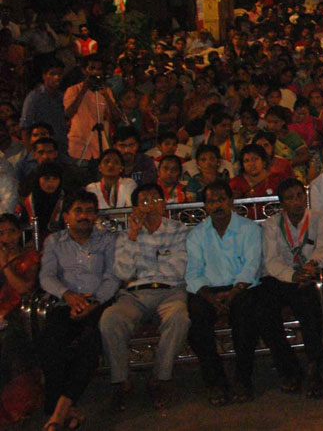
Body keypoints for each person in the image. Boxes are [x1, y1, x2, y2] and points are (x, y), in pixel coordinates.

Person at [100, 182, 189, 411]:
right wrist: (133, 236)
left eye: (155, 200)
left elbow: (178, 269)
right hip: (135, 295)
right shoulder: (126, 235)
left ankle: (159, 378)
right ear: (135, 208)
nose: (150, 206)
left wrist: (144, 265)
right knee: (110, 318)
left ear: (164, 203)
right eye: (144, 202)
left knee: (179, 317)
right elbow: (123, 273)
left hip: (170, 291)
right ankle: (121, 381)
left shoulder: (178, 229)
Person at [38, 190, 117, 430]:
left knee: (89, 344)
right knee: (51, 344)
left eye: (89, 211)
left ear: (96, 215)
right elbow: (46, 276)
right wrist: (68, 295)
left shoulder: (107, 240)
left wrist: (93, 303)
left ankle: (57, 412)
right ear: (67, 216)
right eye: (78, 211)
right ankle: (67, 409)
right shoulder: (54, 242)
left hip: (98, 304)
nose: (84, 216)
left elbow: (113, 277)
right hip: (66, 303)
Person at [185, 180, 262, 406]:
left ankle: (242, 378)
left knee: (246, 316)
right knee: (195, 320)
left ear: (231, 201)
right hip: (208, 291)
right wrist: (210, 297)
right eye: (211, 201)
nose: (217, 205)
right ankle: (215, 379)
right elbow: (193, 273)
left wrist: (234, 292)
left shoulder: (249, 229)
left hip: (241, 288)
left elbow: (251, 266)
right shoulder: (197, 234)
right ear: (205, 206)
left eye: (221, 200)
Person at [258, 178, 323, 399]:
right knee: (264, 311)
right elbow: (271, 261)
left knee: (309, 307)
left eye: (300, 195)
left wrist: (311, 265)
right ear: (282, 204)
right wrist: (292, 275)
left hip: (307, 275)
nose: (297, 201)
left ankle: (315, 367)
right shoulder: (271, 225)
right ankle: (288, 367)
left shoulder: (319, 218)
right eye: (290, 198)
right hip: (280, 278)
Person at [0, 213, 39, 425]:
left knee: (9, 342)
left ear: (20, 233)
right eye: (1, 233)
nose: (7, 238)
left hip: (16, 314)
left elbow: (24, 288)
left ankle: (13, 408)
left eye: (11, 232)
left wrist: (5, 265)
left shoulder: (29, 257)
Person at [63, 57, 118, 165]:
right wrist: (83, 91)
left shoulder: (106, 91)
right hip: (79, 144)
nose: (95, 72)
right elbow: (68, 114)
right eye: (92, 68)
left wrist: (106, 96)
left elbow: (115, 116)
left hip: (100, 144)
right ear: (84, 70)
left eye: (99, 69)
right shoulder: (73, 90)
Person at [19, 60, 67, 159]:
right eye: (52, 74)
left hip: (61, 149)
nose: (57, 77)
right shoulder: (34, 97)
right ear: (44, 76)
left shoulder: (63, 96)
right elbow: (25, 128)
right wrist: (32, 155)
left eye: (60, 74)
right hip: (41, 151)